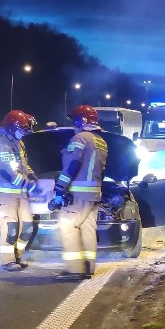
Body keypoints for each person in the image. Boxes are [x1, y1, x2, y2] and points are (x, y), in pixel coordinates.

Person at [50, 105, 107, 281]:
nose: (73, 124)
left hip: (79, 194)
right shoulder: (101, 141)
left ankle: (75, 269)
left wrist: (60, 188)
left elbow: (72, 164)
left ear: (81, 121)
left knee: (66, 225)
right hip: (94, 194)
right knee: (88, 228)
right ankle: (88, 266)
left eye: (75, 121)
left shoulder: (80, 138)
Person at [0, 109, 39, 271]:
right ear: (12, 128)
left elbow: (23, 164)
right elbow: (6, 171)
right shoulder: (2, 145)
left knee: (27, 227)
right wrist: (27, 184)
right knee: (10, 229)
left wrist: (31, 174)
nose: (24, 133)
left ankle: (18, 255)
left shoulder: (19, 143)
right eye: (22, 130)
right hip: (6, 195)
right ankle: (8, 260)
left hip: (21, 193)